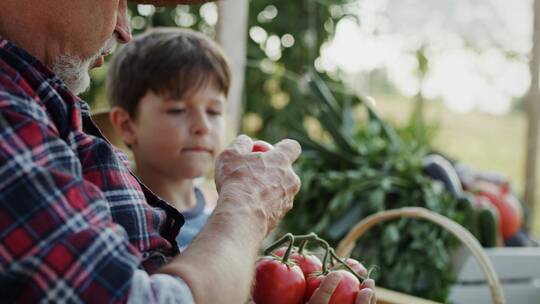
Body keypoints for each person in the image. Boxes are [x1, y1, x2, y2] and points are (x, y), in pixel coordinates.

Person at [0, 0, 375, 303]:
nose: (124, 28)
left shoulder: (41, 103)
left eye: (213, 111)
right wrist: (247, 205)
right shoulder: (9, 110)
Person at [106, 28, 227, 250]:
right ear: (127, 125)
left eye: (214, 111)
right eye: (178, 110)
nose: (203, 126)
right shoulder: (112, 223)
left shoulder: (226, 214)